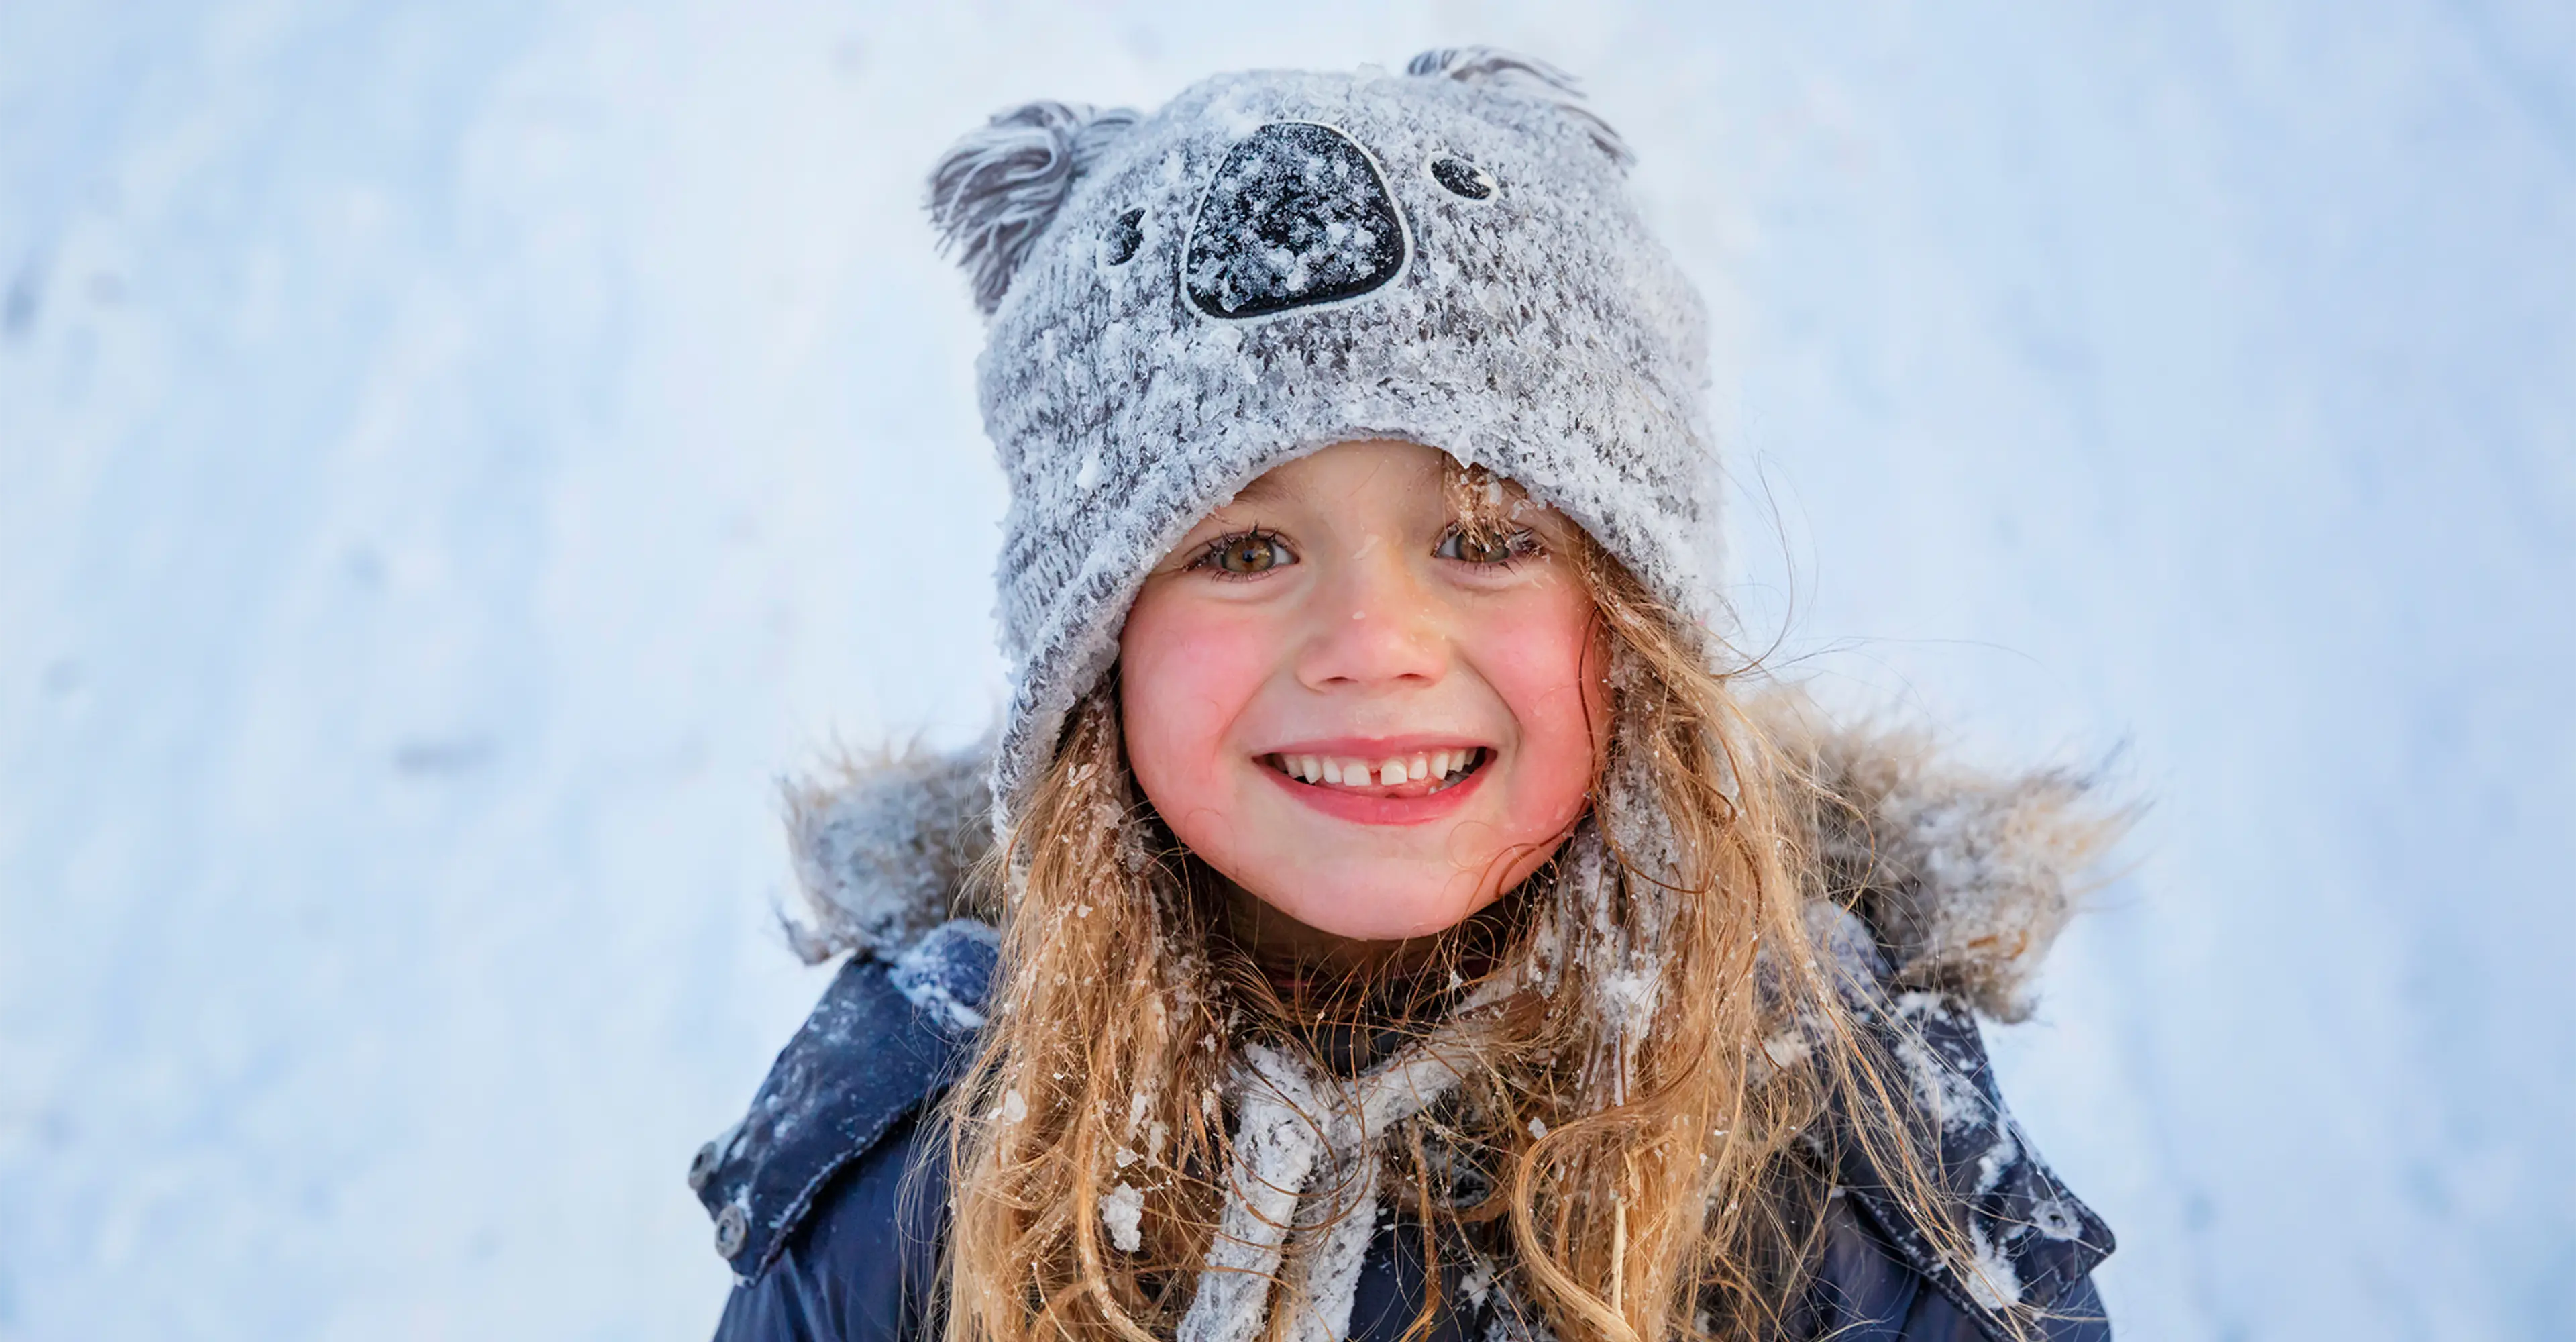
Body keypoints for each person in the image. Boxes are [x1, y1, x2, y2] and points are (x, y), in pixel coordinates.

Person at [690, 48, 2121, 1342]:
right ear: (1092, 653)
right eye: (1243, 549)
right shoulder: (920, 1164)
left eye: (1488, 540)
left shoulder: (1852, 1170)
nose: (1375, 640)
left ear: (1635, 630)